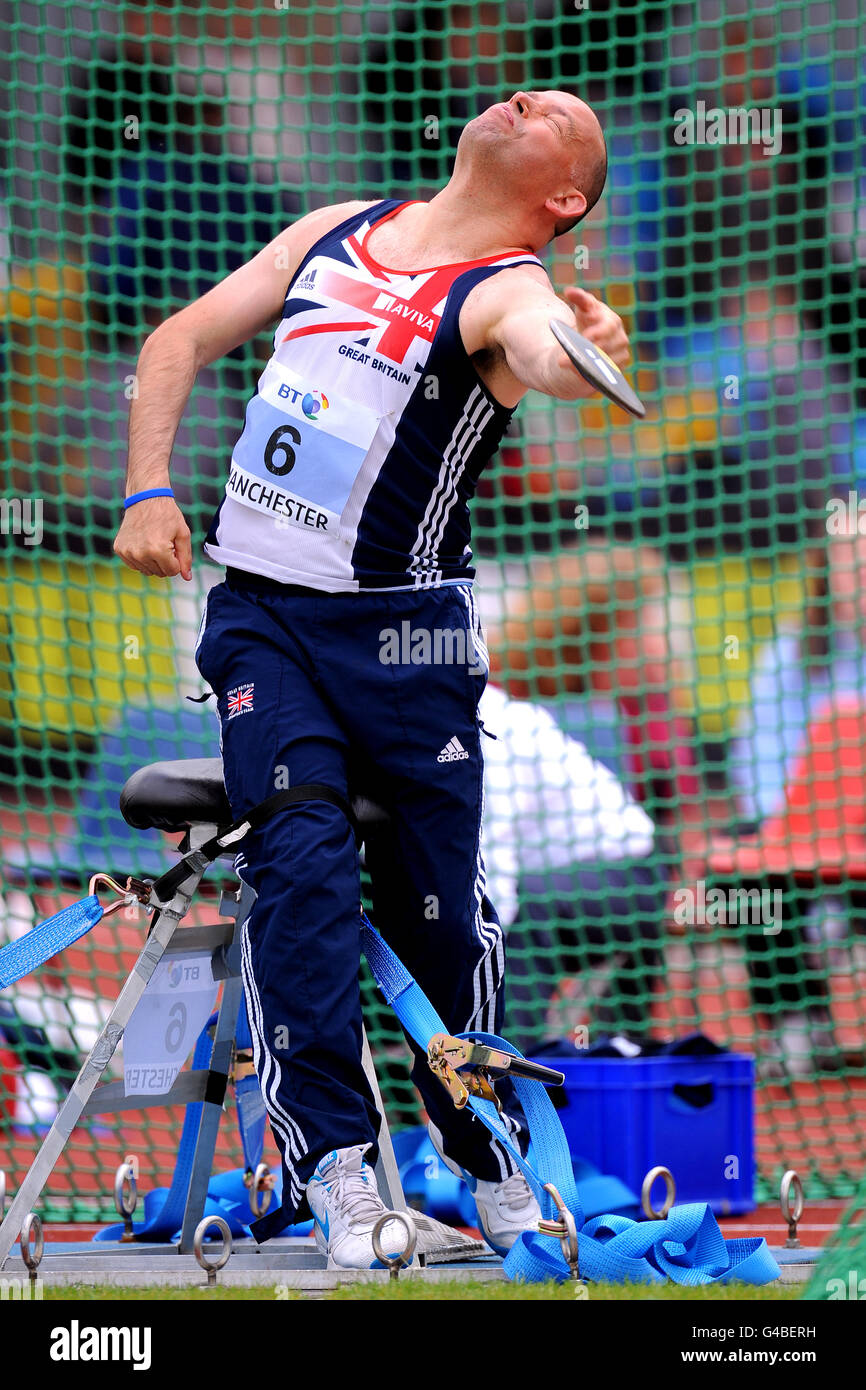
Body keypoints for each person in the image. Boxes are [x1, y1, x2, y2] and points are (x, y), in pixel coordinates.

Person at [113, 89, 630, 1269]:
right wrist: (148, 489)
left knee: (440, 920)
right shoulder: (334, 228)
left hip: (411, 645)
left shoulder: (507, 289)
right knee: (298, 866)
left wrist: (580, 352)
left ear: (561, 199)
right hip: (262, 627)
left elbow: (538, 352)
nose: (524, 94)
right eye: (528, 88)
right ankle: (340, 1178)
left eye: (557, 112)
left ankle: (492, 1165)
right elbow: (175, 341)